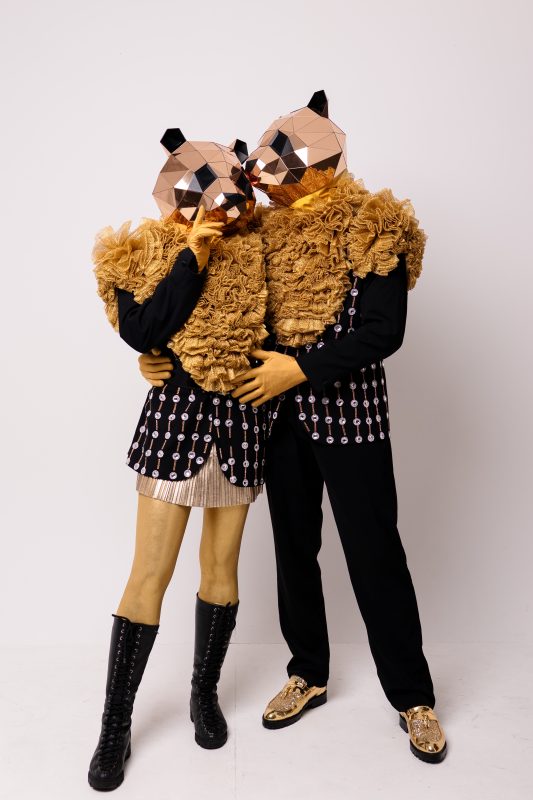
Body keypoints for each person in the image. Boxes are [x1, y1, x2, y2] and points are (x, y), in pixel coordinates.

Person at [140, 93, 447, 764]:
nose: (261, 168)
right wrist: (154, 354)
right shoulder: (257, 231)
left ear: (323, 159)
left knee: (374, 552)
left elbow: (383, 331)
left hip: (351, 418)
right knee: (293, 551)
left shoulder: (375, 222)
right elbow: (213, 309)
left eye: (282, 156)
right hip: (273, 422)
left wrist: (299, 370)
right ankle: (307, 671)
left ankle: (412, 696)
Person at [88, 129, 269, 791]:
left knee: (220, 570)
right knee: (149, 575)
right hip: (175, 422)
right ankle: (115, 725)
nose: (217, 203)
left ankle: (203, 692)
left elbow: (281, 328)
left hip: (242, 421)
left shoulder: (260, 250)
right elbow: (144, 329)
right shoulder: (142, 251)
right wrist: (193, 253)